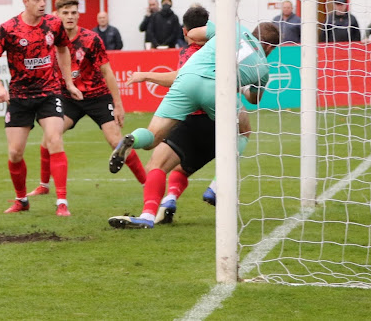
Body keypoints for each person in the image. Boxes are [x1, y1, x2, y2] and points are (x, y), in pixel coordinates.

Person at [107, 19, 280, 228]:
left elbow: (193, 34)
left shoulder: (233, 28)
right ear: (270, 48)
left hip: (187, 79)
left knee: (152, 137)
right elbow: (254, 99)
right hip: (216, 91)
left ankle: (132, 140)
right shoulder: (264, 69)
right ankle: (217, 186)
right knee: (242, 131)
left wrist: (212, 39)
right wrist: (241, 85)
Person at [28, 0, 147, 196]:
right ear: (57, 15)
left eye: (74, 13)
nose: (70, 16)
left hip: (97, 96)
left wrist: (118, 104)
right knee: (49, 137)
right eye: (65, 13)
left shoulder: (91, 39)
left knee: (116, 141)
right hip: (69, 98)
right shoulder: (50, 40)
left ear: (78, 15)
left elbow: (107, 72)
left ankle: (147, 183)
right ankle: (44, 186)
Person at [0, 0, 83, 216]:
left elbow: (63, 49)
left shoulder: (53, 24)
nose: (42, 4)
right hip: (19, 96)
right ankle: (21, 200)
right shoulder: (9, 28)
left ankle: (62, 202)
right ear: (25, 2)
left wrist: (68, 82)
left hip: (49, 92)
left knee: (54, 140)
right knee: (15, 153)